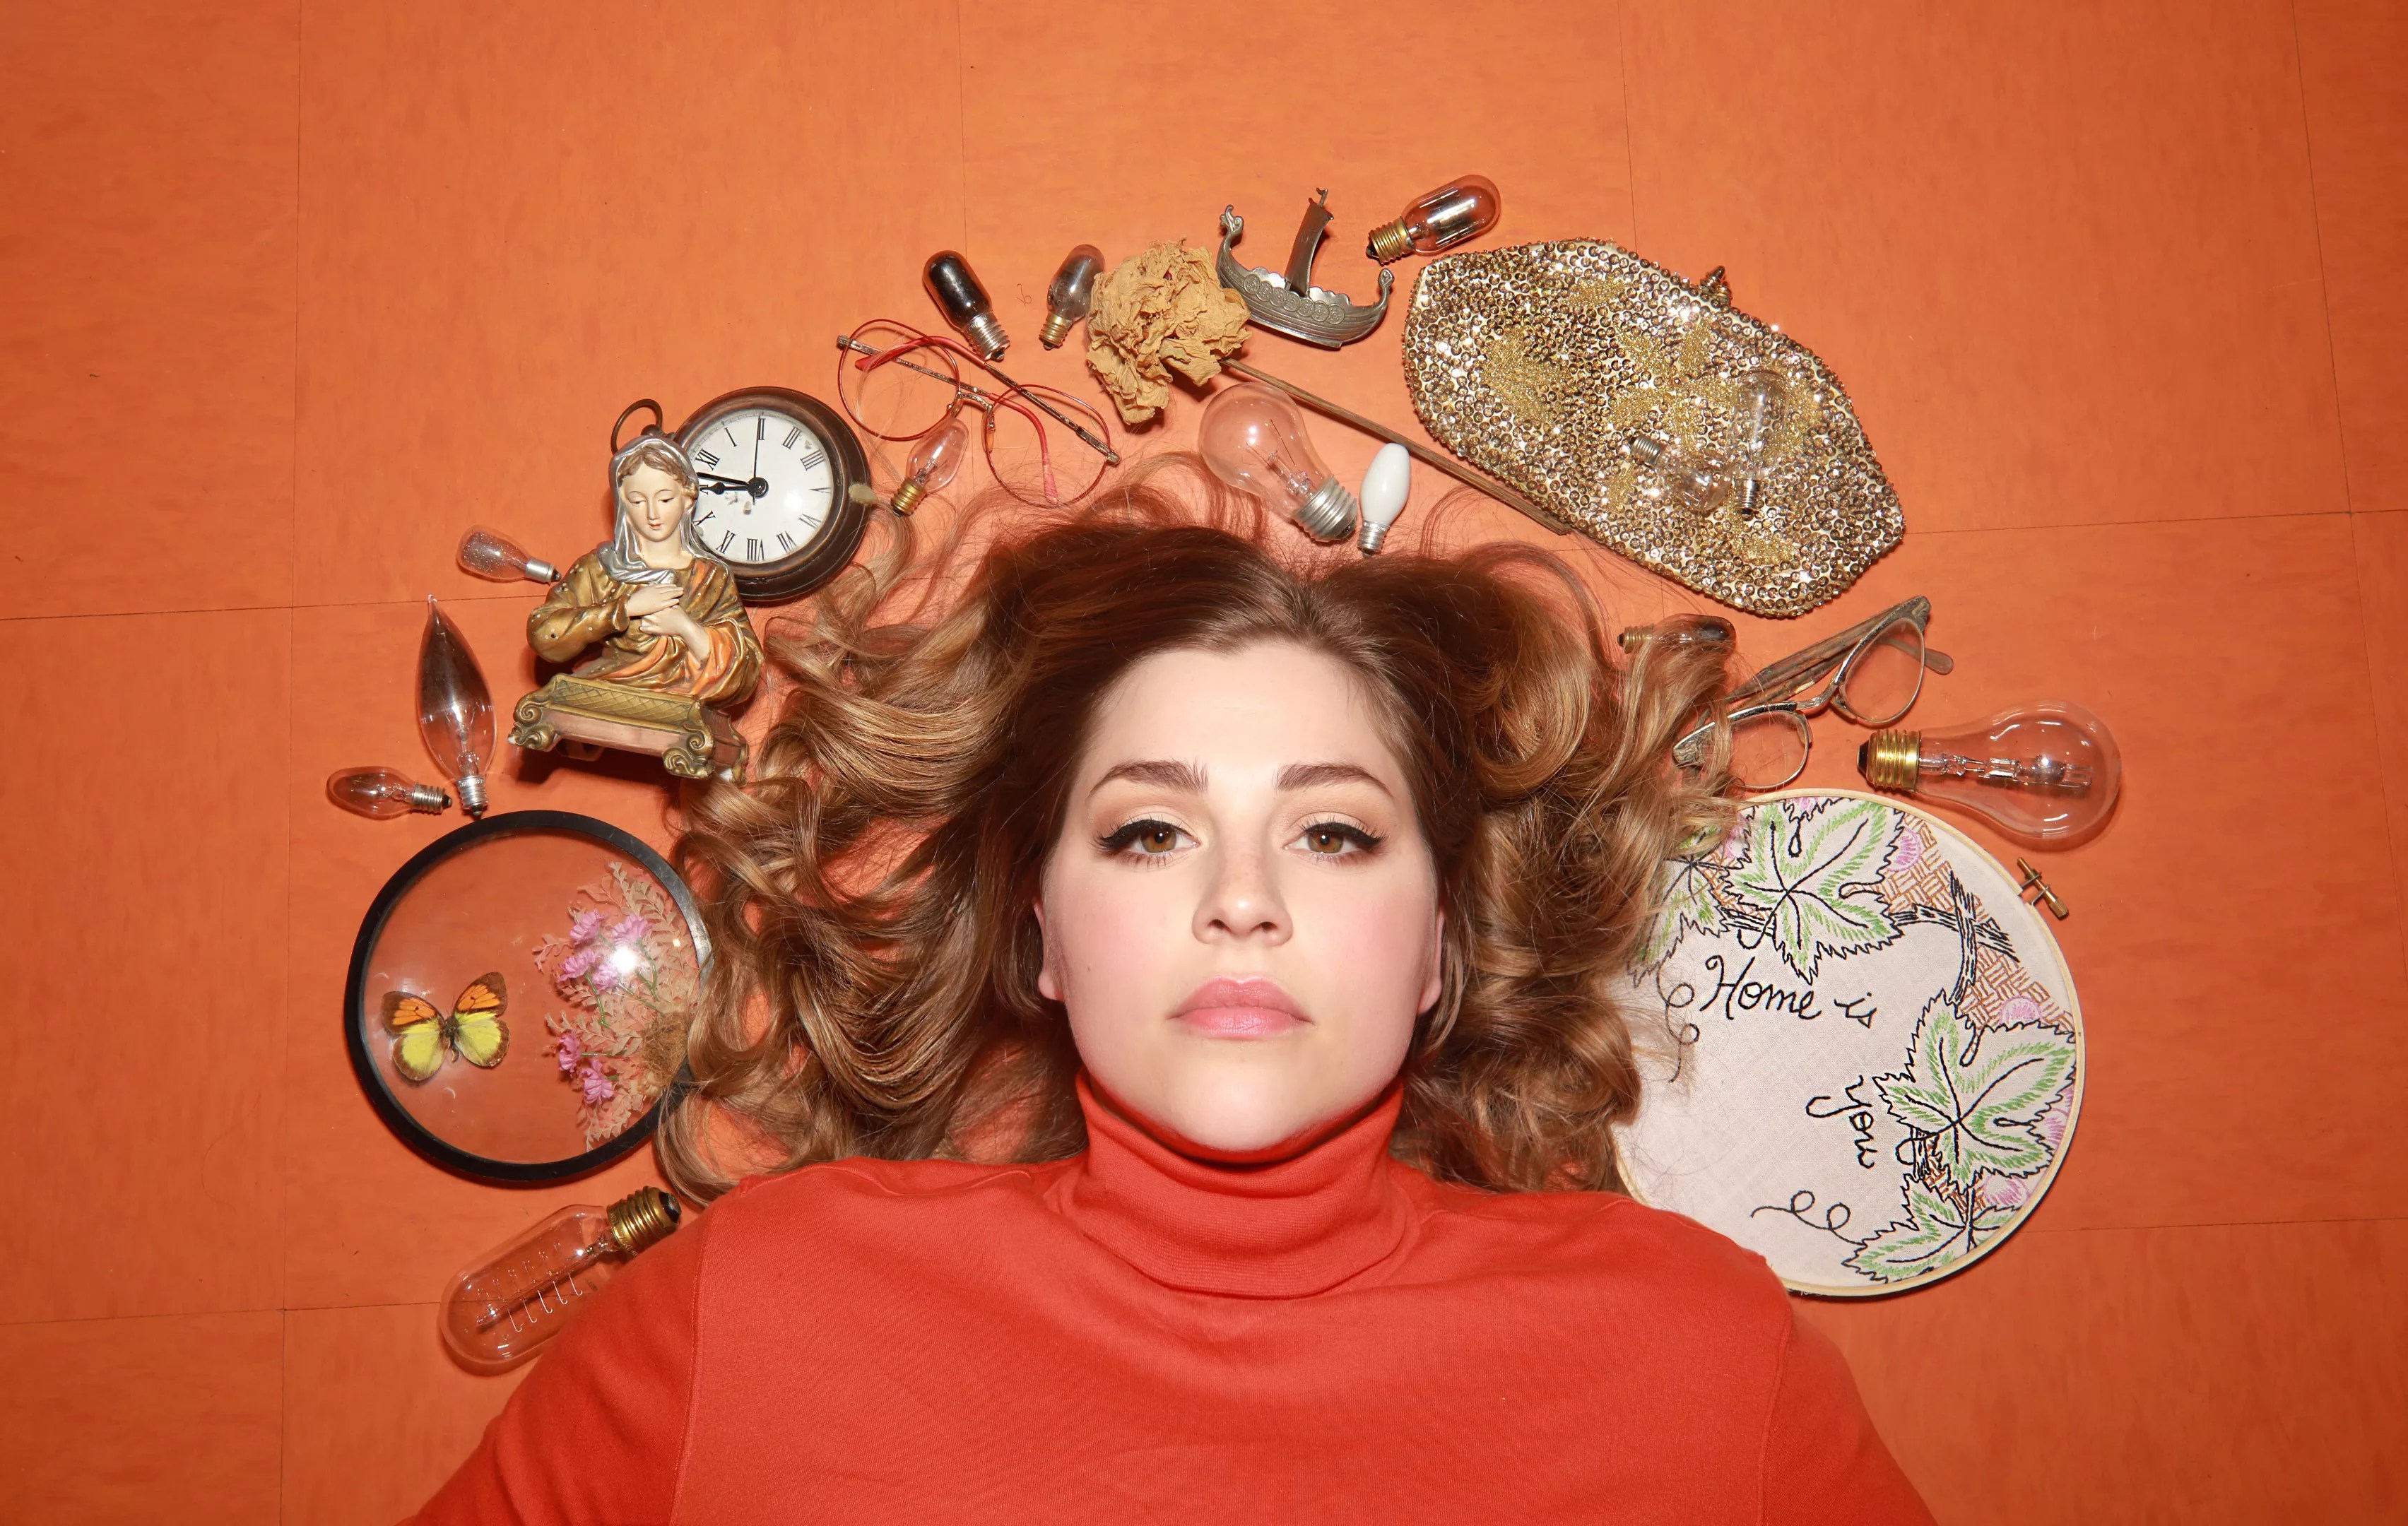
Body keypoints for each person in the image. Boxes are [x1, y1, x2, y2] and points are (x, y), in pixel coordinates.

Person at [415, 463, 1931, 1523]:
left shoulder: (1699, 1357)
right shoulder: (751, 1307)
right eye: (1149, 831)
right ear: (1042, 938)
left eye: (1334, 833)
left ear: (1439, 949)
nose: (1241, 897)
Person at [524, 433, 762, 706]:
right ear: (622, 504)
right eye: (637, 501)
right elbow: (544, 633)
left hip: (680, 705)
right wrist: (624, 609)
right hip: (609, 694)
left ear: (688, 498)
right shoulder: (601, 569)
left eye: (665, 500)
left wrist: (686, 628)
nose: (652, 514)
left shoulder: (710, 577)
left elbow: (749, 667)